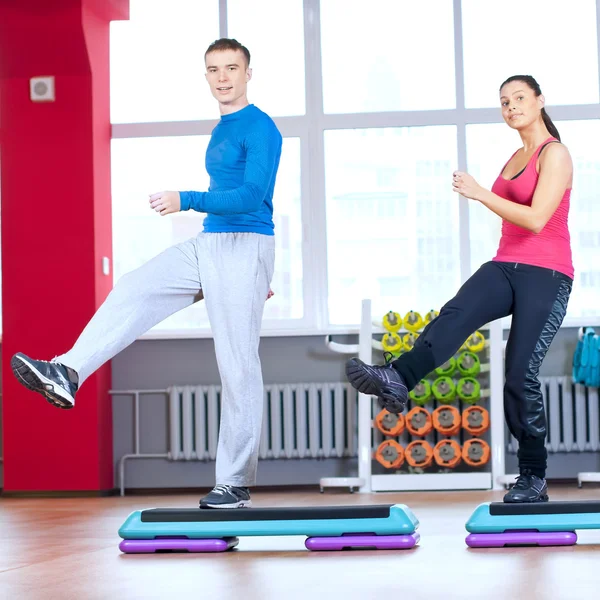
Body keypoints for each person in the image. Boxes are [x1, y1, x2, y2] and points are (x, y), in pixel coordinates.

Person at [11, 38, 282, 509]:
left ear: (248, 73)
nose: (222, 77)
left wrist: (188, 200)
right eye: (213, 69)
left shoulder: (260, 127)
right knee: (137, 286)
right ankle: (68, 371)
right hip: (212, 243)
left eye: (232, 68)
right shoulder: (224, 127)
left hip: (245, 244)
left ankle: (233, 483)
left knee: (237, 364)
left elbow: (251, 197)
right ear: (206, 76)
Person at [346, 74, 573, 503]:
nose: (511, 107)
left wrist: (481, 193)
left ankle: (533, 476)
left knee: (519, 373)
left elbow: (537, 218)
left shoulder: (555, 154)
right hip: (507, 264)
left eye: (519, 98)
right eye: (504, 102)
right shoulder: (514, 156)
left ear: (540, 101)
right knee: (457, 313)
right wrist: (485, 193)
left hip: (549, 272)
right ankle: (398, 377)